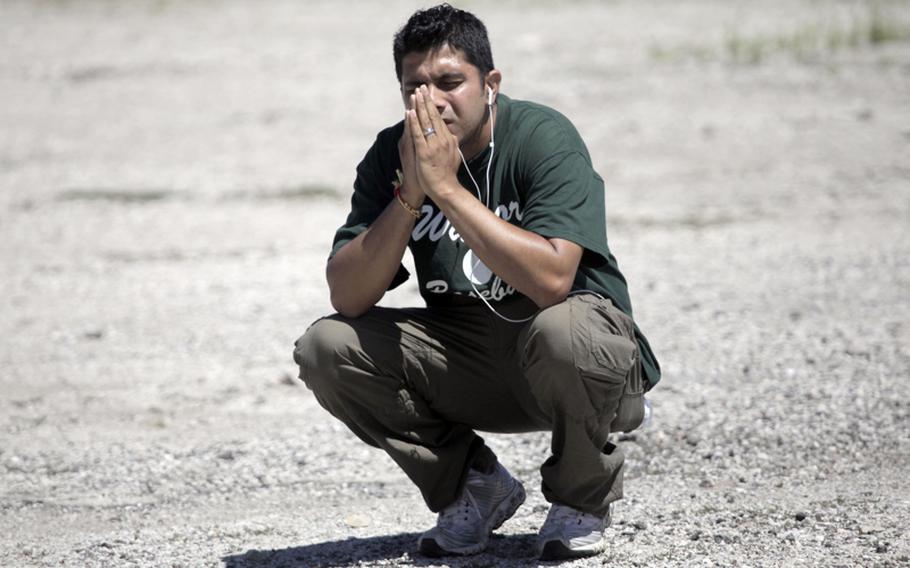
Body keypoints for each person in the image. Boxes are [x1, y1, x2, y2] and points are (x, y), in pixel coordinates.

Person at [293, 3, 660, 560]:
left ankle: (580, 498)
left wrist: (448, 191)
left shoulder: (542, 135)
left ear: (490, 83)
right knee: (327, 347)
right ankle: (473, 486)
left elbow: (554, 280)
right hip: (468, 352)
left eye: (449, 82)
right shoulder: (392, 153)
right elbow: (348, 294)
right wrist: (411, 195)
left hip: (564, 341)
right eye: (414, 86)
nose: (433, 100)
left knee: (565, 333)